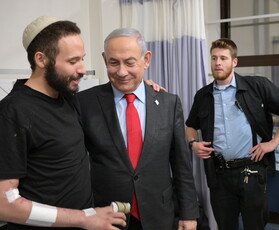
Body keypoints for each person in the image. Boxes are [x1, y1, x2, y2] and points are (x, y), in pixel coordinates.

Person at [0, 16, 127, 229]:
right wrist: (84, 218)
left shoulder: (67, 97)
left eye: (82, 59)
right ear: (41, 60)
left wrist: (141, 87)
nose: (82, 69)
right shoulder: (12, 112)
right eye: (72, 61)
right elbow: (4, 204)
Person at [77, 27, 200, 230]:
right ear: (104, 59)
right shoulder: (85, 103)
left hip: (158, 214)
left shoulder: (169, 103)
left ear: (146, 59)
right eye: (113, 62)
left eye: (130, 62)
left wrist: (189, 214)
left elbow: (181, 165)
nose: (122, 72)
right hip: (107, 215)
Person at [185, 38, 279, 230]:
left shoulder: (257, 86)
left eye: (223, 58)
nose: (218, 63)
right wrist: (193, 144)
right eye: (214, 58)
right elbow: (190, 126)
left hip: (253, 172)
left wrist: (273, 143)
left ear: (234, 62)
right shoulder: (203, 95)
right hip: (219, 175)